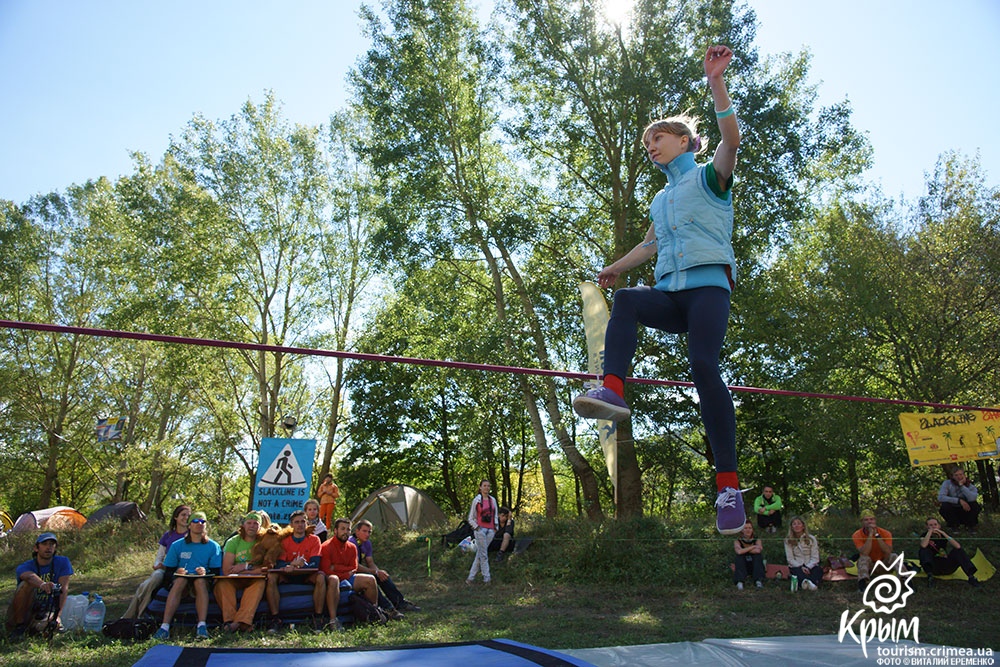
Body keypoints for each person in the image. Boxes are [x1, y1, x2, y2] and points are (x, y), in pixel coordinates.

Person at [571, 45, 744, 534]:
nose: (652, 144)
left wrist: (716, 82)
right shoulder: (660, 198)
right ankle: (614, 389)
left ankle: (727, 486)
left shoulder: (710, 178)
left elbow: (731, 140)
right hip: (670, 294)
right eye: (648, 141)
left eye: (660, 137)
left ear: (686, 142)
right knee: (626, 299)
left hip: (708, 289)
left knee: (704, 366)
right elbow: (648, 247)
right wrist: (612, 268)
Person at [153, 511, 222, 640]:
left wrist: (205, 572)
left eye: (202, 522)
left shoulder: (213, 546)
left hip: (202, 582)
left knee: (200, 582)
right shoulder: (177, 545)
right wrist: (177, 572)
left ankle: (201, 626)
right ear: (189, 525)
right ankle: (164, 627)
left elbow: (216, 572)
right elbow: (168, 571)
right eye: (195, 521)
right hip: (182, 581)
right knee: (180, 581)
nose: (199, 524)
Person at [122, 504, 190, 619]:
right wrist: (157, 565)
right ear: (176, 517)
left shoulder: (191, 535)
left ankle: (138, 614)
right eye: (183, 515)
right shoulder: (168, 535)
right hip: (164, 568)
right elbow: (160, 556)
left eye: (188, 515)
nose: (186, 518)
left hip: (180, 570)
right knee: (154, 579)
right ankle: (134, 615)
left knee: (146, 586)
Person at [264, 509, 326, 632]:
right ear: (291, 525)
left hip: (307, 575)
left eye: (303, 522)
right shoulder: (284, 541)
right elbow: (280, 563)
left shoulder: (314, 540)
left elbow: (315, 563)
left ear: (306, 523)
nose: (300, 525)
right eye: (296, 522)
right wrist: (291, 564)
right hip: (288, 574)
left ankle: (318, 618)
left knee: (320, 577)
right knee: (271, 577)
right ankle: (275, 619)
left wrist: (299, 566)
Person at [5, 532, 73, 638]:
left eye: (51, 544)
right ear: (36, 548)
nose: (48, 548)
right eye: (44, 544)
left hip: (46, 609)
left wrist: (57, 616)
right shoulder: (25, 566)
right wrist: (42, 585)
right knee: (25, 585)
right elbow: (28, 576)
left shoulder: (63, 562)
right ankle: (19, 625)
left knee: (45, 628)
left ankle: (38, 626)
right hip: (25, 609)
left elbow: (63, 589)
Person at [350, 519, 419, 619]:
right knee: (371, 580)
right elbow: (355, 566)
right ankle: (388, 609)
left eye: (369, 532)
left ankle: (400, 602)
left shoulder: (367, 543)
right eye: (364, 531)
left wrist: (379, 572)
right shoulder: (352, 542)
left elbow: (370, 562)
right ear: (357, 531)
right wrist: (374, 572)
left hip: (361, 571)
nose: (367, 534)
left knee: (383, 576)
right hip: (352, 573)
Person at [319, 518, 379, 631]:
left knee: (370, 580)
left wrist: (336, 567)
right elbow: (326, 570)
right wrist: (344, 573)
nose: (345, 532)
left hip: (347, 577)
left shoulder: (352, 547)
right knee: (333, 579)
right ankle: (333, 620)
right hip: (333, 579)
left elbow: (353, 567)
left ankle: (373, 613)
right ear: (335, 530)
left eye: (348, 529)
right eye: (342, 529)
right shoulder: (326, 547)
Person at [214, 511, 268, 632]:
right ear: (243, 525)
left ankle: (239, 623)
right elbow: (227, 570)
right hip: (234, 579)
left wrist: (244, 566)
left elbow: (265, 570)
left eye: (256, 523)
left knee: (260, 583)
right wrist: (254, 570)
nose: (252, 526)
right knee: (221, 584)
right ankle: (232, 621)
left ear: (260, 527)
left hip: (254, 579)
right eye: (249, 523)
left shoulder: (263, 542)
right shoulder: (233, 541)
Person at [918, 517, 981, 588]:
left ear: (939, 526)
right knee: (923, 550)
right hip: (933, 566)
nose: (933, 526)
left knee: (957, 551)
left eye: (935, 524)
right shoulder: (924, 535)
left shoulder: (944, 535)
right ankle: (930, 577)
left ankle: (971, 577)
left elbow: (958, 546)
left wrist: (943, 533)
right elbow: (923, 545)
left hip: (946, 565)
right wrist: (929, 532)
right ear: (927, 527)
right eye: (930, 525)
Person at [852, 509, 901, 592]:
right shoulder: (857, 535)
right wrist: (870, 535)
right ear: (862, 522)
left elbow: (888, 551)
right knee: (863, 558)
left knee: (894, 556)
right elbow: (864, 552)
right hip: (870, 566)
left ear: (875, 520)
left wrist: (877, 535)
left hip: (884, 564)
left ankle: (905, 581)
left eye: (871, 519)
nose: (869, 522)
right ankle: (863, 586)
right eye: (866, 520)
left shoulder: (885, 533)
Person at [466, 479, 499, 584]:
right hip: (480, 529)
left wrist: (495, 527)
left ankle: (470, 578)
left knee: (481, 553)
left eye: (488, 486)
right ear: (480, 487)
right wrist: (476, 527)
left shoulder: (492, 500)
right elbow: (470, 518)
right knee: (484, 554)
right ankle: (487, 578)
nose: (487, 488)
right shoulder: (476, 500)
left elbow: (496, 515)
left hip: (490, 530)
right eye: (484, 486)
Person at [784, 516, 822, 591]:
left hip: (810, 564)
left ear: (803, 526)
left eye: (799, 523)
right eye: (794, 524)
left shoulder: (811, 538)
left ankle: (807, 583)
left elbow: (815, 557)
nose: (797, 526)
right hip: (797, 565)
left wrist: (808, 567)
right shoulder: (788, 540)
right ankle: (810, 584)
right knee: (797, 571)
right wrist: (801, 567)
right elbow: (790, 559)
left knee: (818, 570)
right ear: (791, 527)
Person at [732, 520, 764, 590]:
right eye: (745, 528)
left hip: (754, 565)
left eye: (750, 528)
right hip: (743, 565)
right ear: (742, 530)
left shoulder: (757, 539)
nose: (748, 530)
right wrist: (752, 547)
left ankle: (758, 581)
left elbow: (758, 550)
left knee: (758, 556)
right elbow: (739, 552)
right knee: (739, 557)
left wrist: (744, 550)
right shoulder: (737, 540)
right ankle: (740, 582)